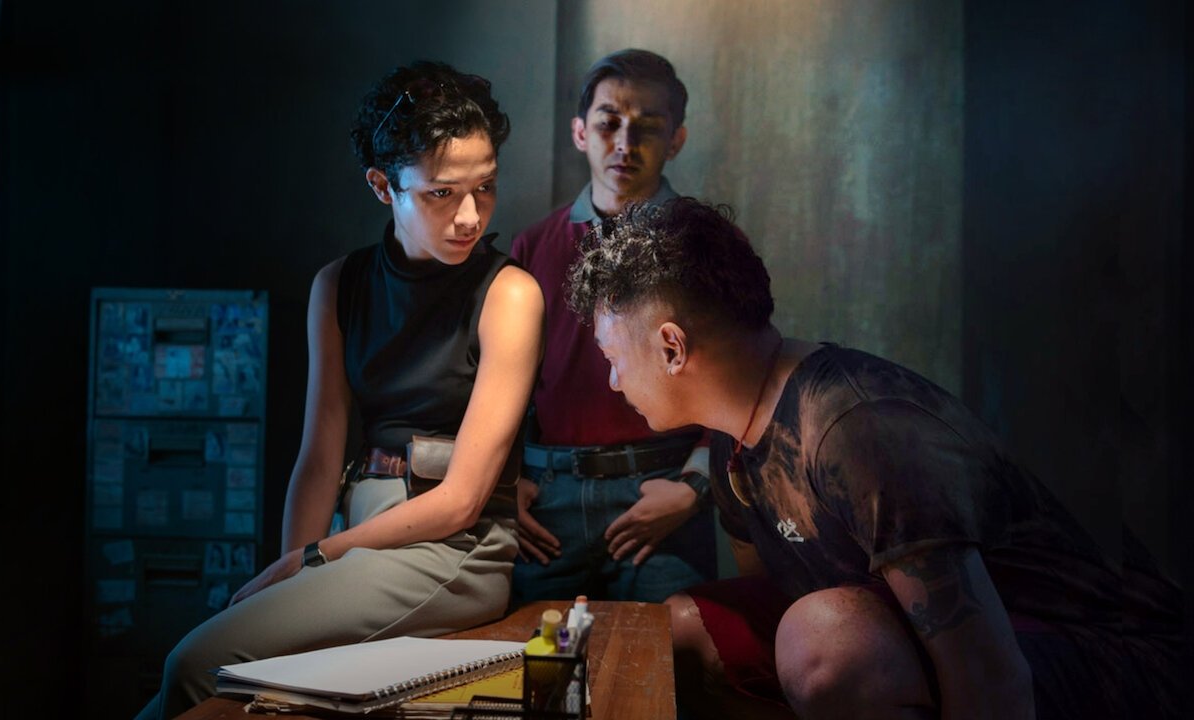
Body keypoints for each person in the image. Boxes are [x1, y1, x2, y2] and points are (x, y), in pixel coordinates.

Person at [565, 197, 1183, 719]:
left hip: (1105, 661)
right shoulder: (733, 439)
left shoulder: (858, 428)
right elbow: (770, 598)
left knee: (825, 641)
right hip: (936, 651)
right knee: (684, 626)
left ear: (672, 348)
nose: (614, 381)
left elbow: (991, 678)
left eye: (613, 357)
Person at [135, 61, 544, 719]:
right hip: (355, 535)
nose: (470, 216)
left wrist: (315, 557)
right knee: (206, 682)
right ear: (383, 186)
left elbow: (462, 500)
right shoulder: (338, 285)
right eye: (442, 193)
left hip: (450, 550)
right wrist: (289, 568)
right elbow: (321, 455)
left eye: (486, 187)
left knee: (193, 665)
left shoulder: (510, 294)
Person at [508, 49, 716, 606]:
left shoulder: (707, 245)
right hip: (547, 502)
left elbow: (746, 379)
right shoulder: (533, 246)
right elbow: (501, 384)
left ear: (676, 140)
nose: (626, 143)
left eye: (647, 127)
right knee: (527, 648)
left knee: (676, 644)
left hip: (660, 493)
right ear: (580, 132)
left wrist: (694, 487)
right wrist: (503, 482)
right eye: (608, 123)